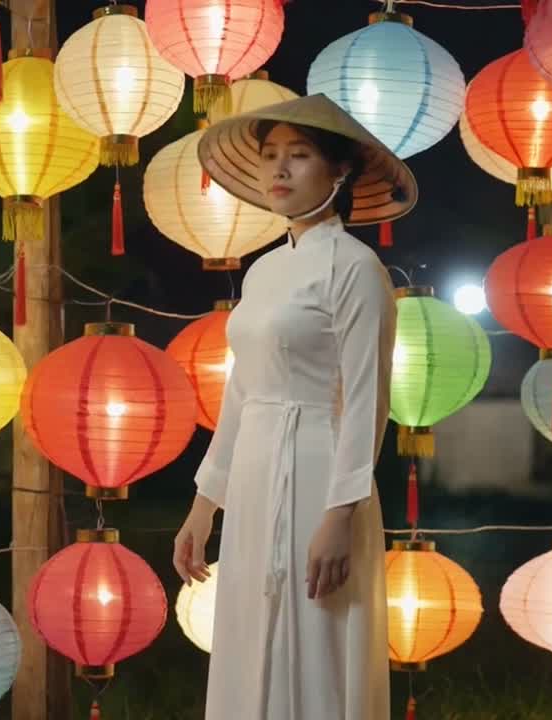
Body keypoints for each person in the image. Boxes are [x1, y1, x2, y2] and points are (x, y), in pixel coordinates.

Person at [172, 95, 418, 720]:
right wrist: (205, 506)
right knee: (252, 627)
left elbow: (368, 399)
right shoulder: (261, 272)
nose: (279, 169)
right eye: (271, 155)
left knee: (317, 635)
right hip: (255, 472)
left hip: (320, 469)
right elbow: (243, 392)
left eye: (300, 155)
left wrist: (341, 514)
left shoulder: (358, 269)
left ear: (338, 173)